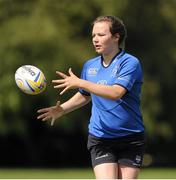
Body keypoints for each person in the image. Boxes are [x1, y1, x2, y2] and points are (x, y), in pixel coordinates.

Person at [37, 15, 146, 179]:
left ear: (116, 37)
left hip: (130, 137)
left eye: (101, 35)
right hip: (100, 137)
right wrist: (62, 109)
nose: (95, 39)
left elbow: (116, 93)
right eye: (93, 35)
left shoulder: (129, 63)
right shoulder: (90, 66)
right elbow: (85, 95)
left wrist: (81, 82)